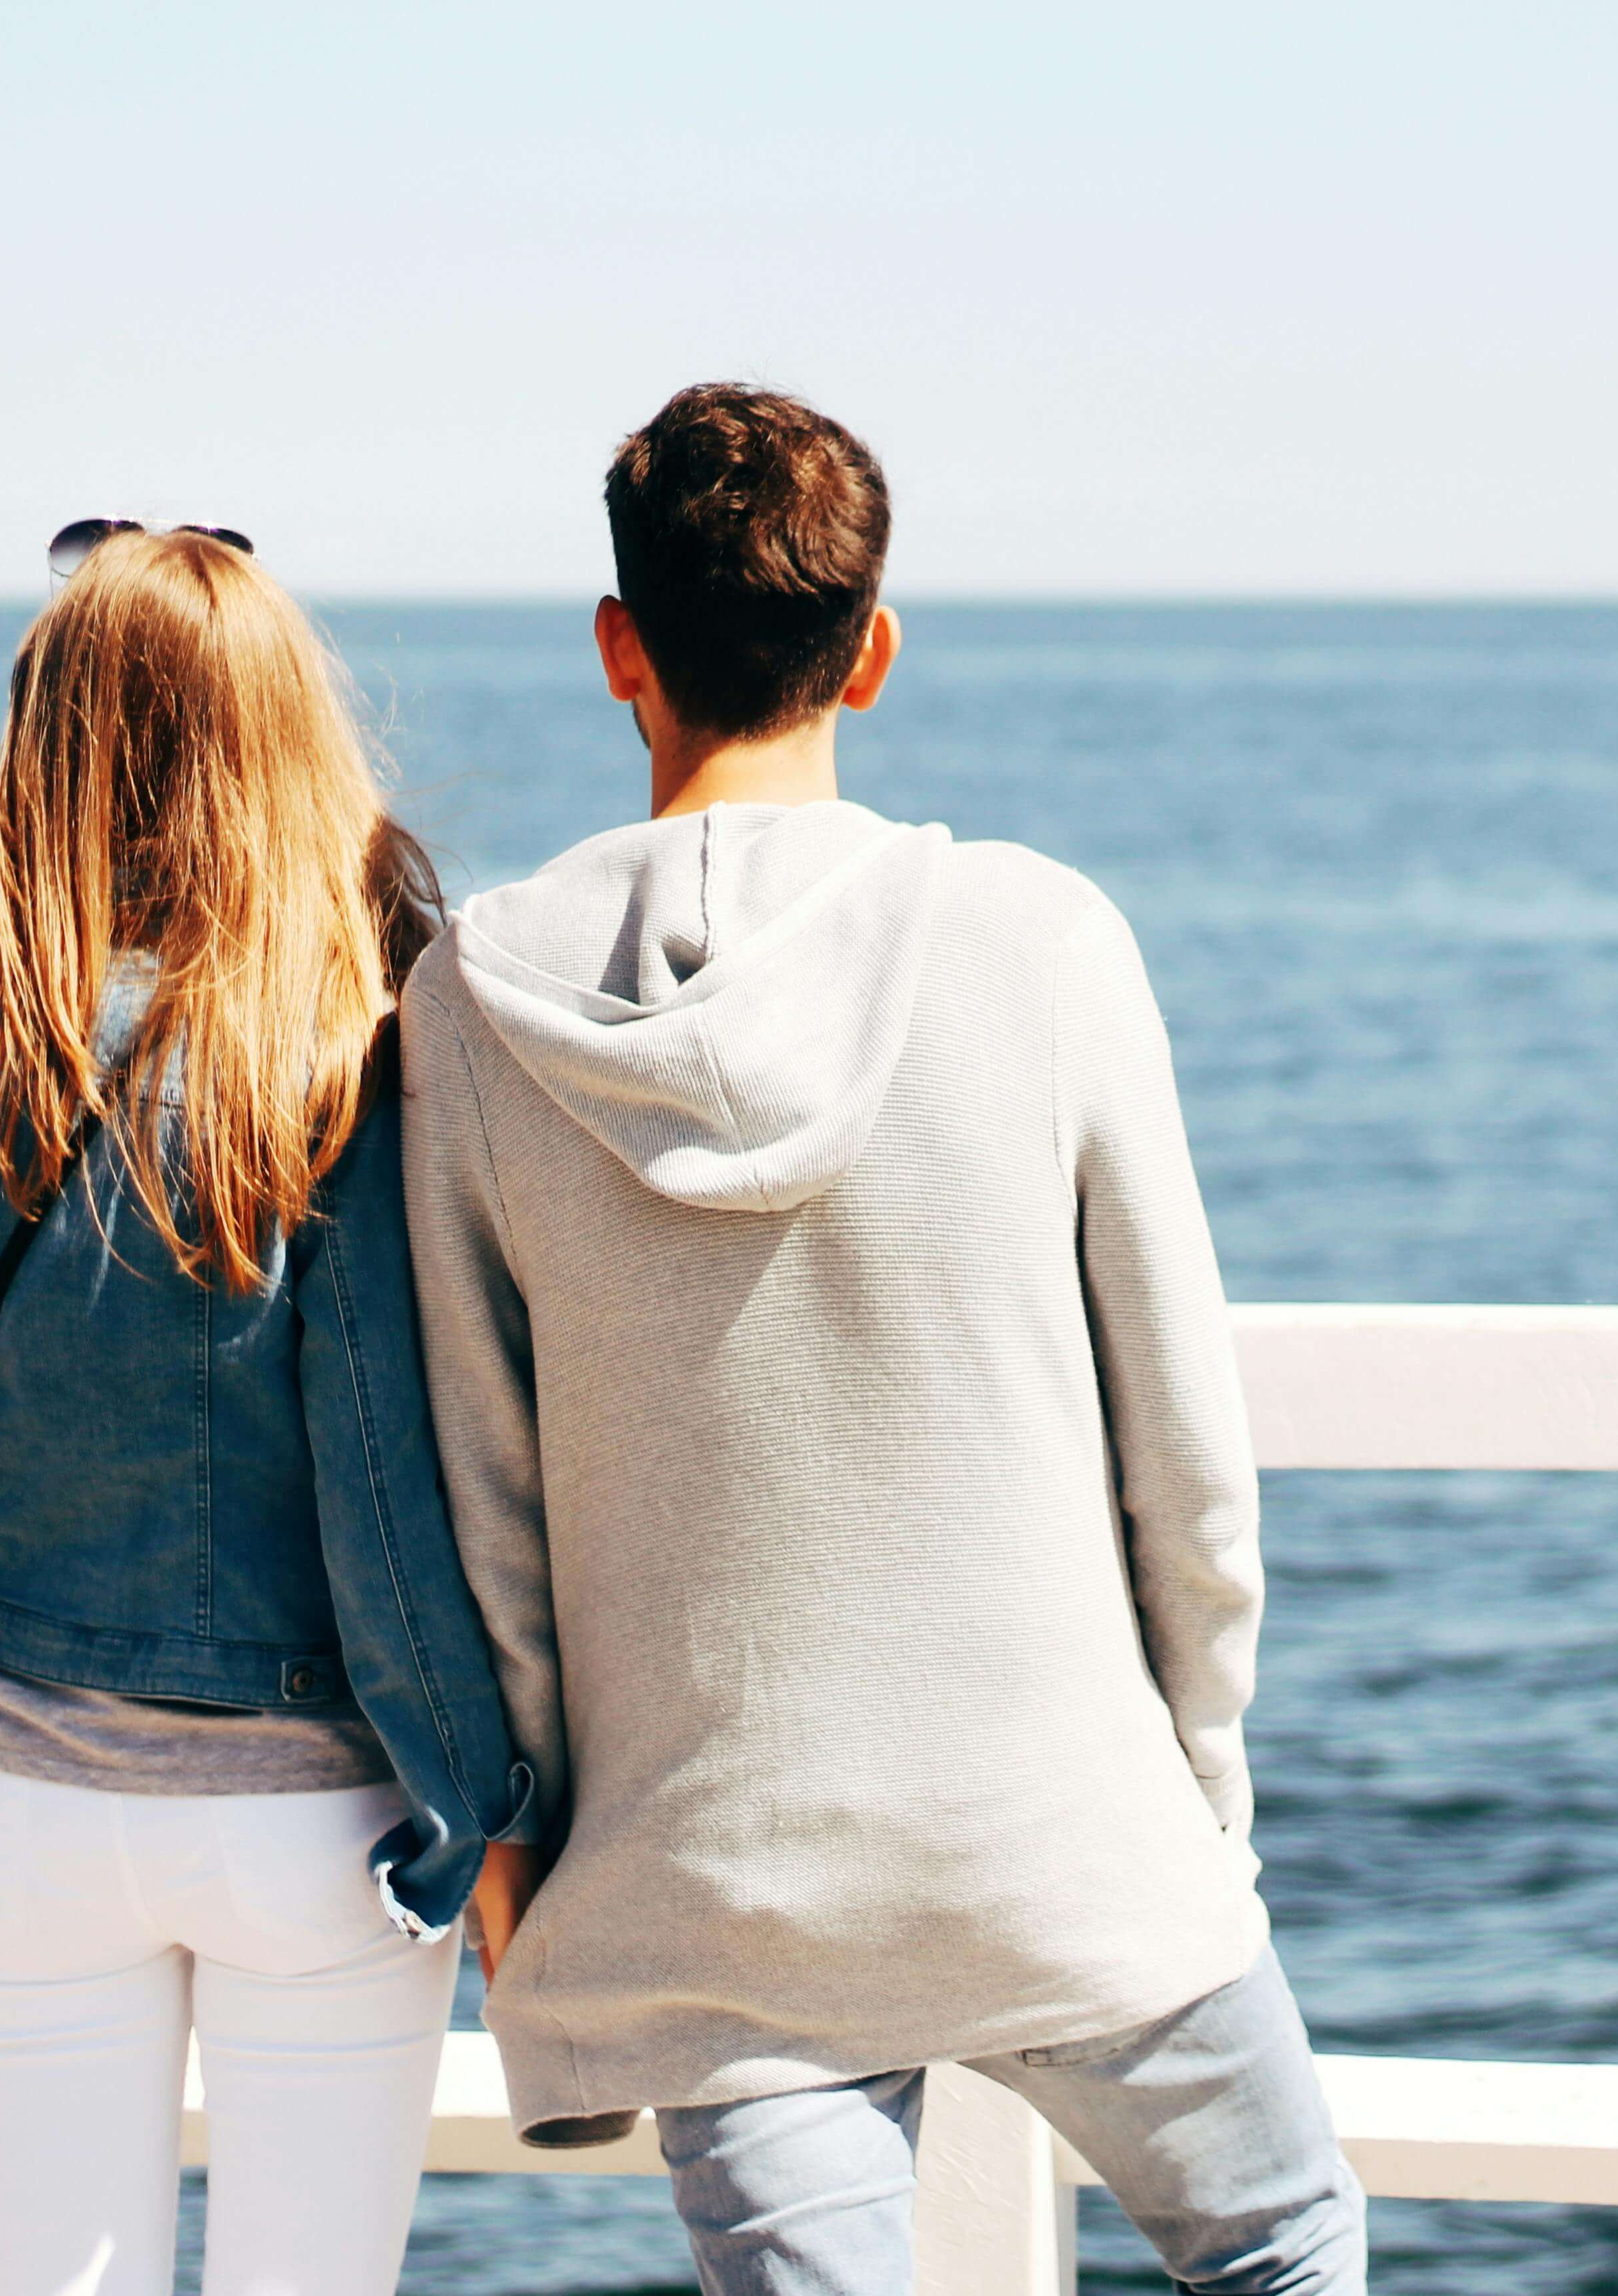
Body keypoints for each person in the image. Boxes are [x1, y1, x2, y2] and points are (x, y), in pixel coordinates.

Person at [401, 383, 1365, 2293]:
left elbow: (484, 1507)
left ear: (621, 648)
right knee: (1287, 2248)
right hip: (1065, 1834)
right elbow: (1184, 1454)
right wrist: (1199, 1797)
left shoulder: (471, 1010)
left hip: (713, 1884)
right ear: (876, 648)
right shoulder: (1043, 941)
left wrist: (531, 1840)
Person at [0, 524, 530, 2296]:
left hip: (19, 1786)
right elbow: (396, 1476)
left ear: (45, 739)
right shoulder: (359, 1029)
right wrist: (471, 1785)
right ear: (275, 736)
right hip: (316, 1808)